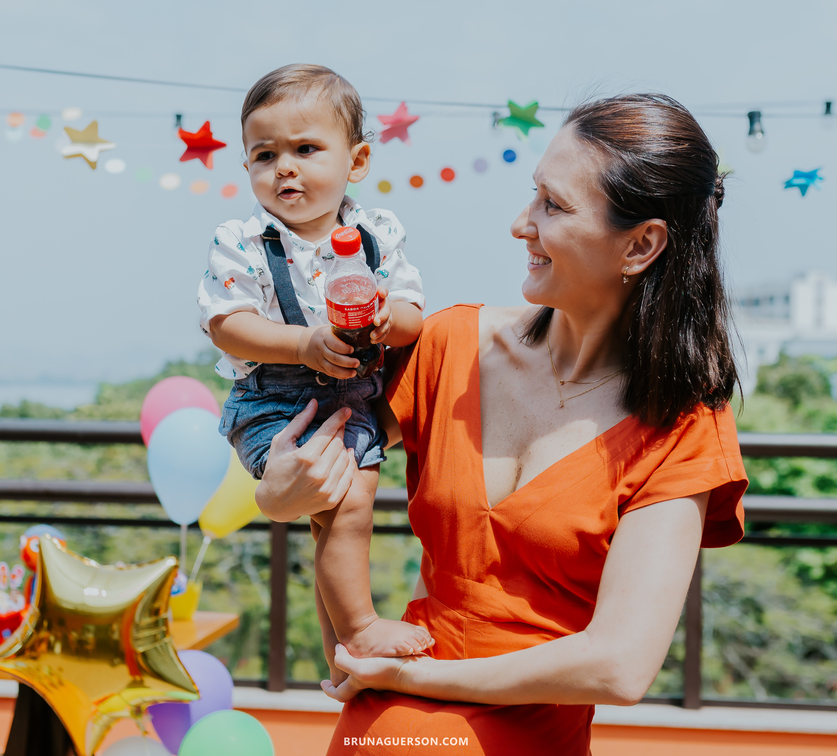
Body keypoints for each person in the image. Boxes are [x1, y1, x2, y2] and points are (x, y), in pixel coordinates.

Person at [255, 94, 750, 755]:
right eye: (532, 195)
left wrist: (417, 675)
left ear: (641, 243)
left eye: (554, 205)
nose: (521, 224)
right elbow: (323, 478)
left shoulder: (683, 425)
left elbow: (620, 665)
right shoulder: (446, 344)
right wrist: (276, 495)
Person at [198, 64, 431, 664]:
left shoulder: (377, 231)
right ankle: (360, 627)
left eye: (306, 149)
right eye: (264, 154)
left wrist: (387, 319)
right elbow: (227, 322)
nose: (285, 168)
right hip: (274, 400)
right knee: (344, 504)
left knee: (345, 516)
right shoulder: (244, 237)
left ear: (356, 162)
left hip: (354, 396)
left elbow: (412, 311)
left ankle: (341, 645)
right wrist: (301, 345)